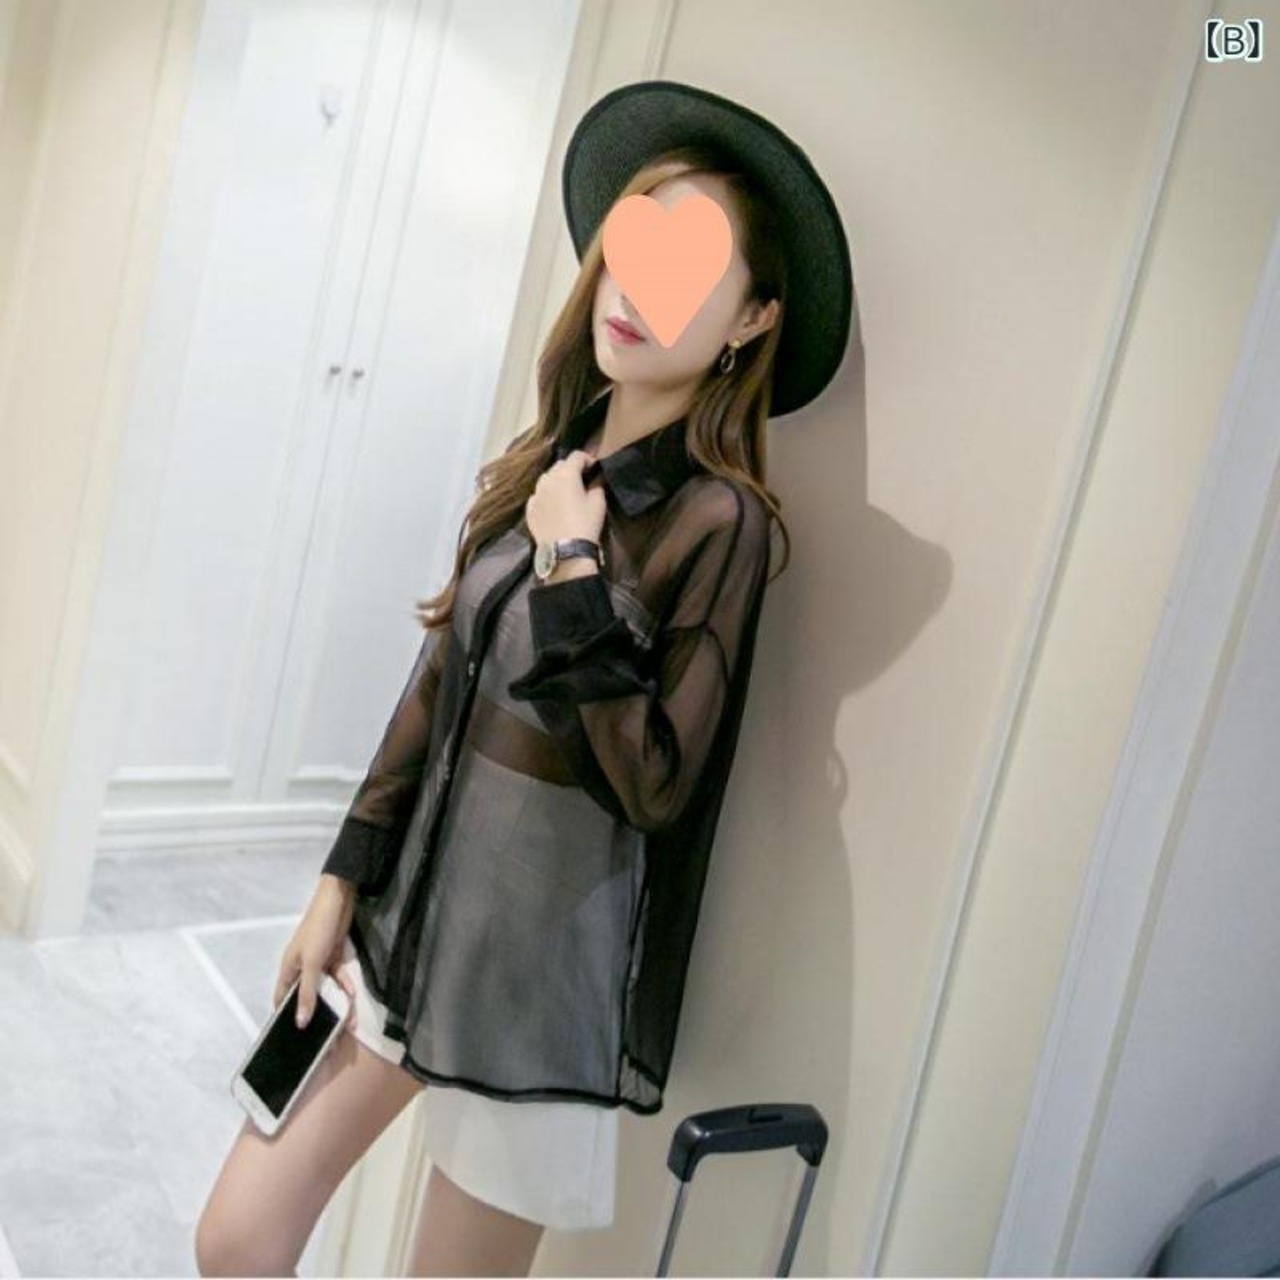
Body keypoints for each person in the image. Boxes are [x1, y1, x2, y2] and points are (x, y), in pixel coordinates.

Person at [195, 78, 854, 1278]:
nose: (635, 294)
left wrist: (572, 565)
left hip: (540, 991)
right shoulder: (548, 459)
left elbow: (652, 780)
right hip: (410, 929)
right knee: (237, 1237)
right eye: (630, 255)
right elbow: (435, 683)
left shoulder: (721, 523)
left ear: (751, 319)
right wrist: (340, 879)